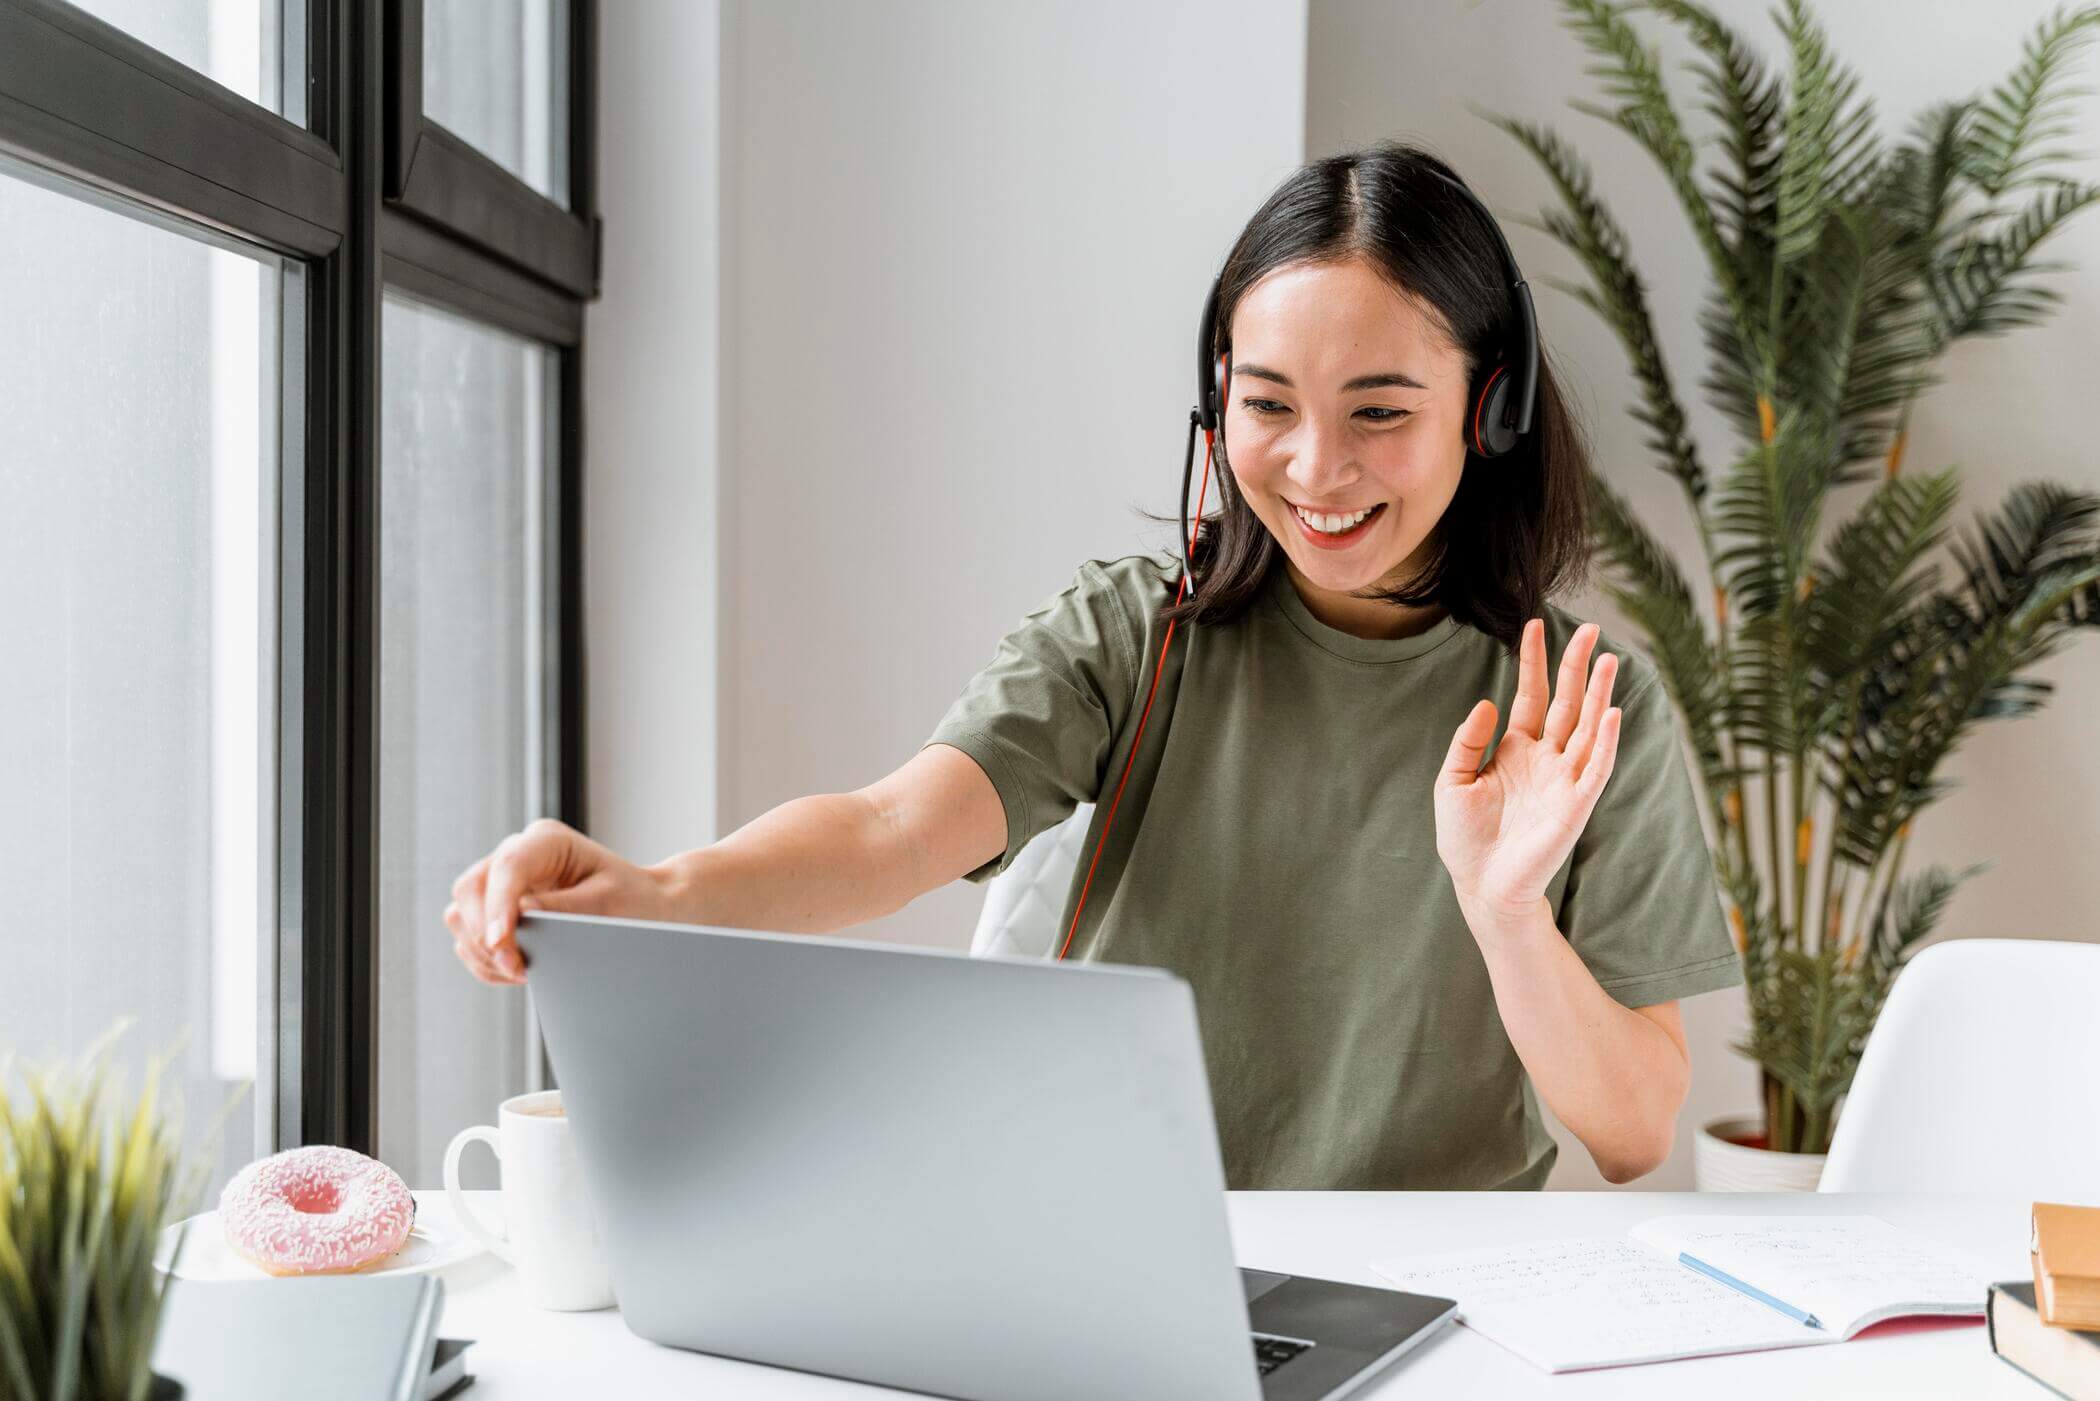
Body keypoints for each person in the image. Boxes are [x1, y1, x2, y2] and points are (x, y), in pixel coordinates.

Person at [445, 139, 1741, 1190]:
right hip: (1123, 1242)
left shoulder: (1576, 712)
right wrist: (653, 890)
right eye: (1270, 404)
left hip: (1435, 1295)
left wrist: (1510, 914)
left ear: (1490, 405)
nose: (1314, 467)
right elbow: (895, 827)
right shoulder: (1136, 632)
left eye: (1382, 413)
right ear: (1217, 395)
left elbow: (1631, 1134)